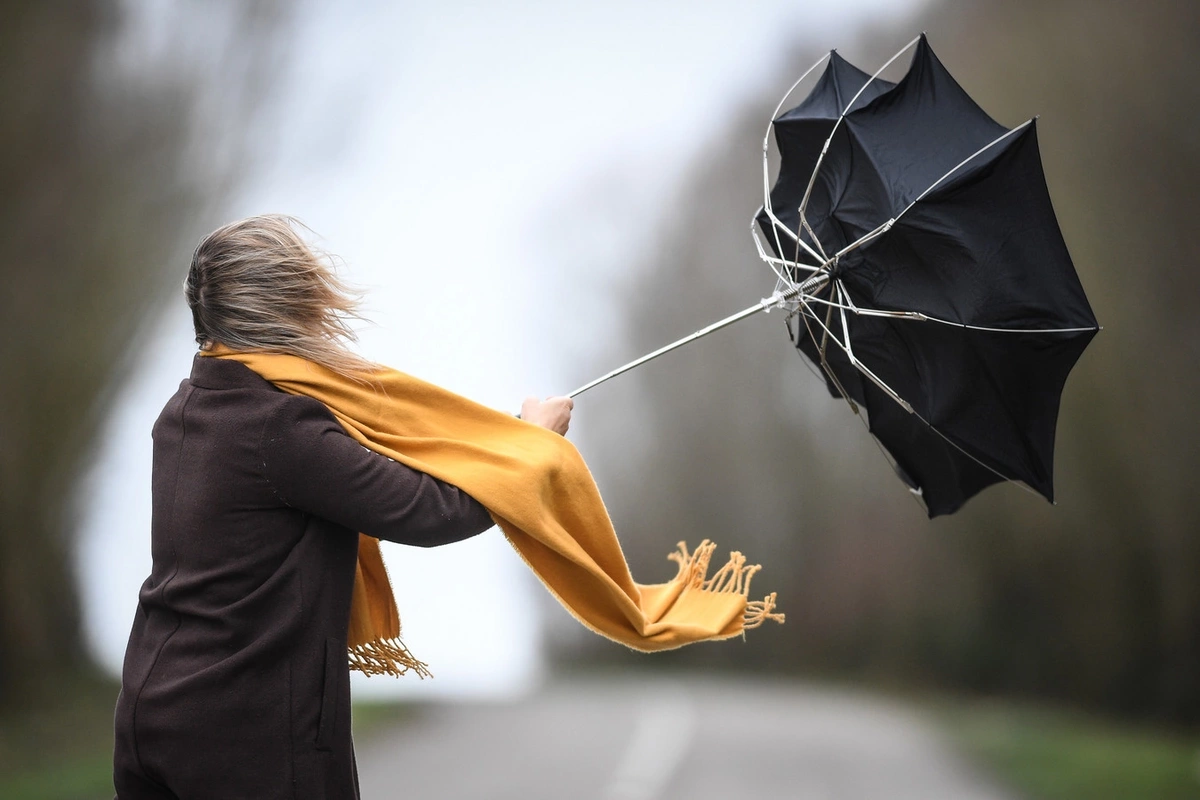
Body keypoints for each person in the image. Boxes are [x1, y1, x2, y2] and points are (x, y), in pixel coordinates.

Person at [112, 214, 573, 799]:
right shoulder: (280, 426)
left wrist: (506, 436)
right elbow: (431, 511)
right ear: (288, 308)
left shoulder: (184, 410)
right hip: (246, 737)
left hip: (151, 715)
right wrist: (535, 446)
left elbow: (370, 475)